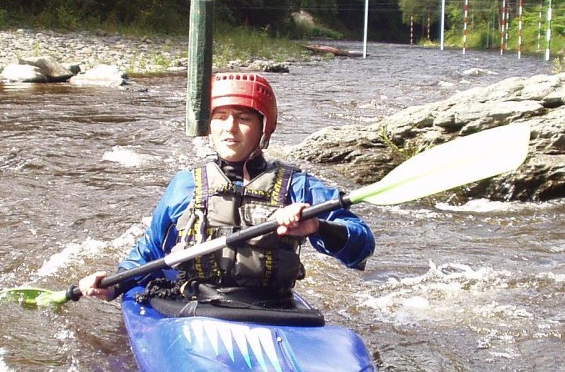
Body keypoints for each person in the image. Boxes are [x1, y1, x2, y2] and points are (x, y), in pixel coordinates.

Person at [78, 72, 374, 305]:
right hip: (198, 304)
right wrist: (113, 285)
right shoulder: (186, 185)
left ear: (264, 128)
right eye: (220, 117)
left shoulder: (296, 185)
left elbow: (361, 247)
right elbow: (150, 252)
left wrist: (318, 227)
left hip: (274, 306)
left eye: (243, 118)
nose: (229, 127)